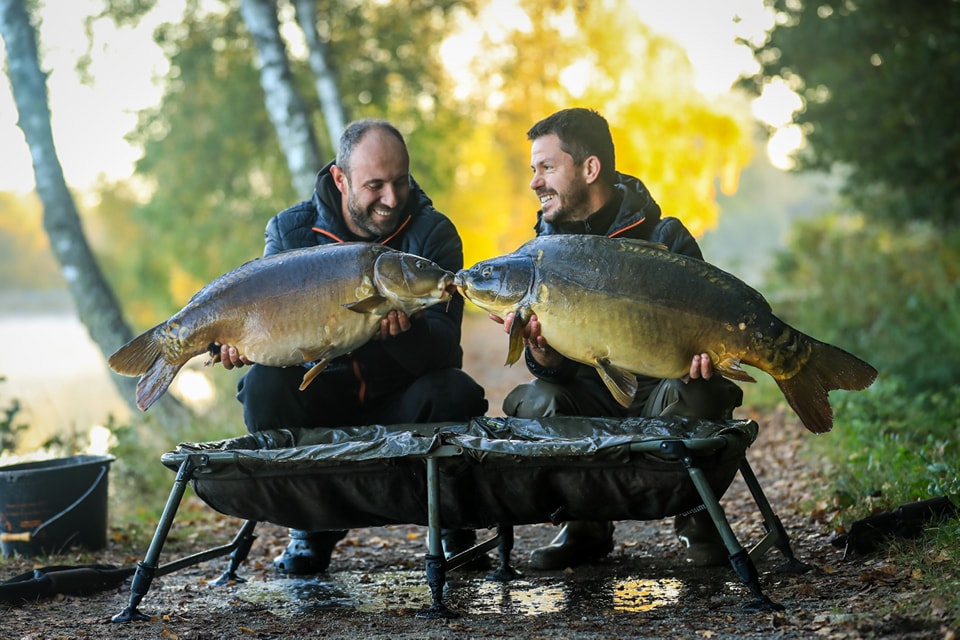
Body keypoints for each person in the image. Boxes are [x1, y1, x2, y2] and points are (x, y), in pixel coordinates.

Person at [218, 119, 489, 574]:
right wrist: (239, 344)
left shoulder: (433, 234)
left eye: (400, 182)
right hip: (323, 395)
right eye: (375, 185)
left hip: (400, 397)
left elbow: (444, 349)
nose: (390, 198)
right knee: (263, 385)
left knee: (455, 392)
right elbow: (264, 319)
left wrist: (404, 333)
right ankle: (310, 525)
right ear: (341, 179)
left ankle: (451, 522)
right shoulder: (291, 232)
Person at [494, 108, 744, 571]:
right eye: (534, 169)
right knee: (535, 399)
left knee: (701, 390)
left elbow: (710, 327)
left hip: (659, 394)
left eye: (547, 167)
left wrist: (708, 356)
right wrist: (541, 353)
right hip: (596, 397)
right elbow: (555, 374)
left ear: (590, 169)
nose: (535, 182)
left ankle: (697, 518)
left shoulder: (664, 238)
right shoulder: (539, 256)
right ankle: (584, 524)